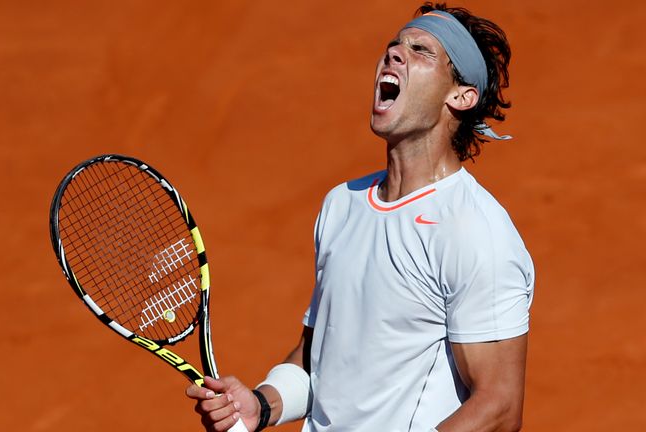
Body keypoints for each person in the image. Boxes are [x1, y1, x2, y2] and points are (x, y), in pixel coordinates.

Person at [186, 3, 534, 431]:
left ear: (460, 96)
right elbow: (320, 357)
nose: (394, 54)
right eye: (394, 46)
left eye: (421, 50)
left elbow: (499, 408)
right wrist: (263, 403)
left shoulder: (474, 230)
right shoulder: (343, 204)